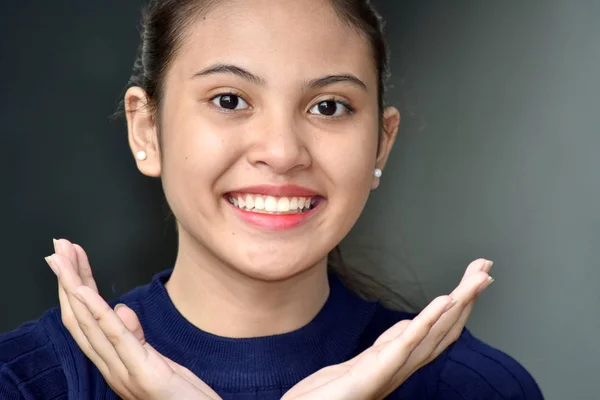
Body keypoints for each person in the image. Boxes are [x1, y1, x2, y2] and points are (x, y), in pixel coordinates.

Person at [0, 0, 544, 399]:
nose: (283, 152)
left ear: (382, 140)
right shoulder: (25, 382)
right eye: (230, 99)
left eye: (329, 107)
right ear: (147, 130)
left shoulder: (479, 389)